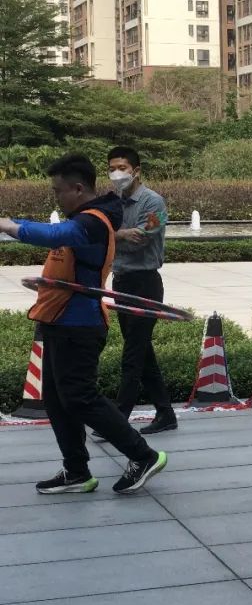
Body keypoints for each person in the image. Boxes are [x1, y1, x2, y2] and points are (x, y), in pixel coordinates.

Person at [0, 154, 168, 495]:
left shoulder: (94, 221)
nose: (56, 197)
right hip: (58, 318)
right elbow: (69, 262)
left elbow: (55, 235)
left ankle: (143, 455)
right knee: (57, 400)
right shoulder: (84, 218)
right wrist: (49, 284)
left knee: (79, 396)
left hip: (80, 324)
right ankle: (76, 470)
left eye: (58, 191)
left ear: (78, 189)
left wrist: (8, 225)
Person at [102, 146, 176, 435]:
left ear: (136, 171)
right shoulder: (113, 201)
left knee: (132, 355)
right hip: (121, 282)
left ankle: (117, 421)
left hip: (145, 285)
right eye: (111, 169)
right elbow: (100, 233)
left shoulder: (154, 202)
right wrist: (119, 234)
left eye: (122, 168)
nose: (116, 174)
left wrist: (112, 235)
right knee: (142, 352)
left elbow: (141, 238)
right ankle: (166, 413)